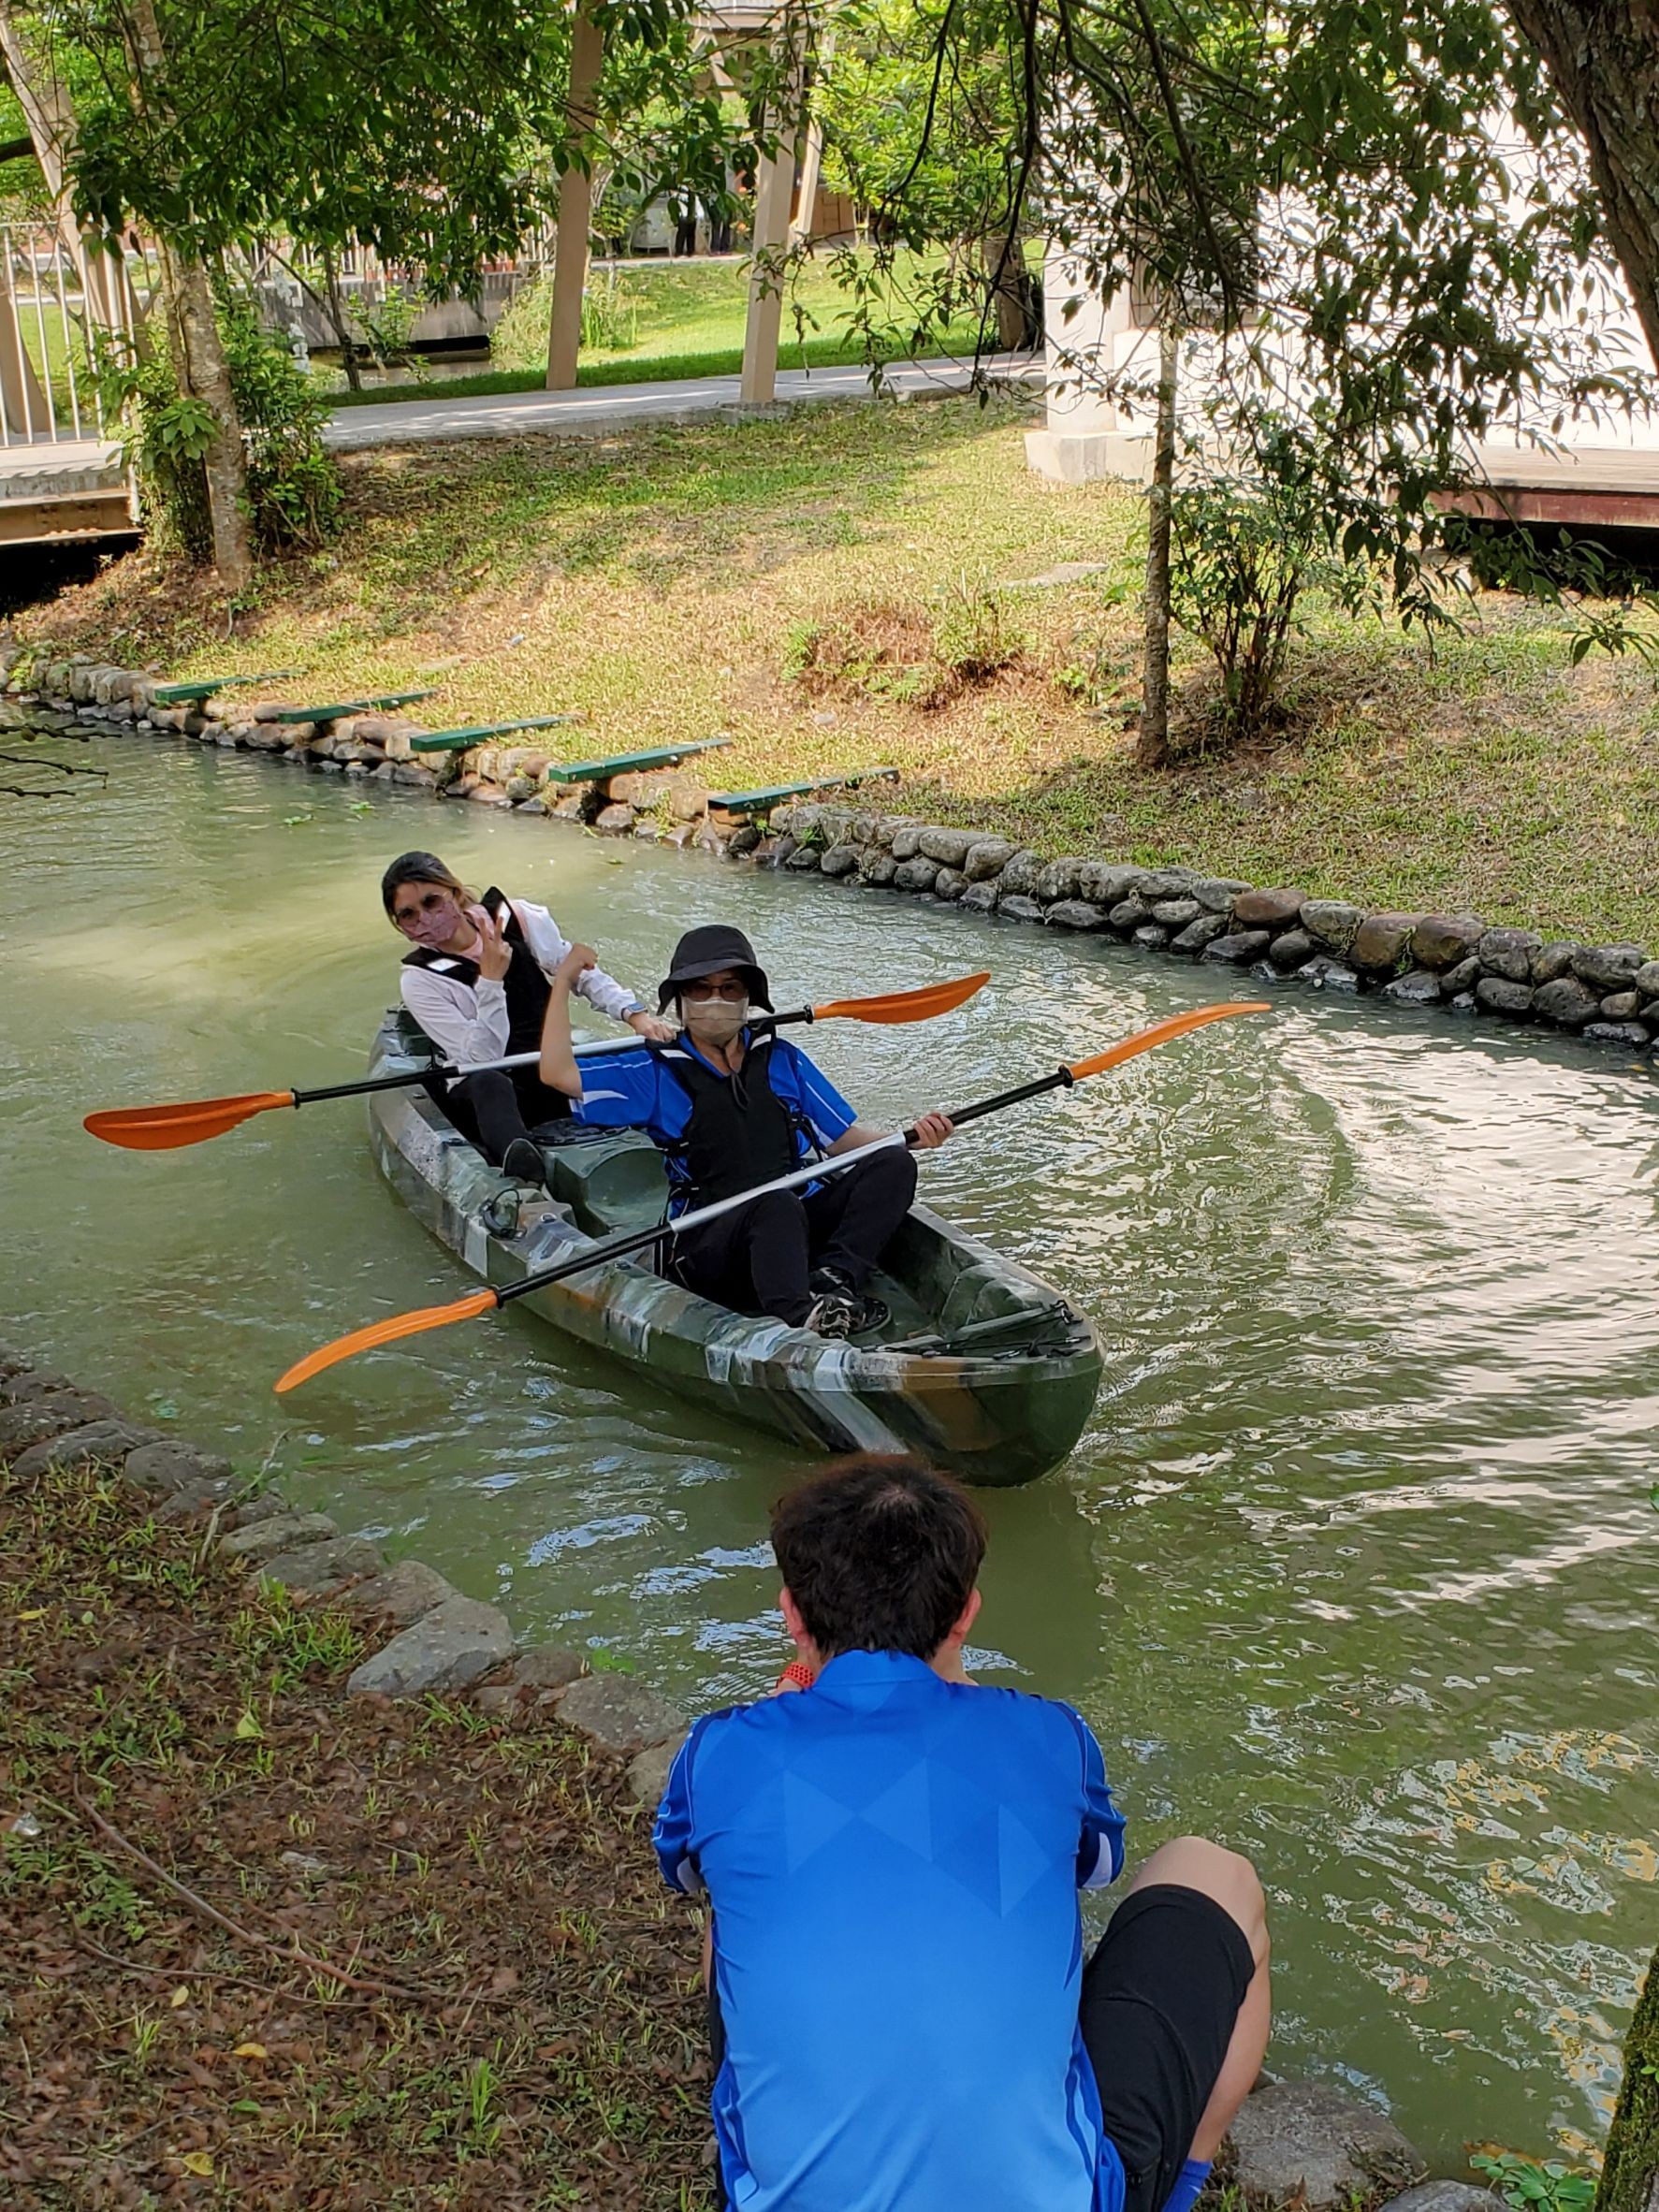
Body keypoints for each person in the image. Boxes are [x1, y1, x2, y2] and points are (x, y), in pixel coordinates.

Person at [654, 1453, 1272, 2212]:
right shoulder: (1052, 1735)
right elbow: (1091, 1867)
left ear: (791, 1612)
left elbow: (687, 1873)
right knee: (1213, 1871)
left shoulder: (719, 1750)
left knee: (733, 1897)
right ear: (967, 1614)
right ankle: (1163, 2194)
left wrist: (774, 1716)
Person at [537, 923, 953, 1338]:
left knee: (893, 1163)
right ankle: (800, 1316)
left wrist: (913, 1137)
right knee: (774, 1204)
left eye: (730, 988)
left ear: (748, 998)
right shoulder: (656, 1072)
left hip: (793, 1223)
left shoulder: (781, 1059)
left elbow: (843, 1141)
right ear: (680, 999)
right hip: (710, 1246)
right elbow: (555, 1072)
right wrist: (564, 981)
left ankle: (834, 1276)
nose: (715, 999)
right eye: (700, 988)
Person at [382, 851, 672, 1187]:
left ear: (455, 894)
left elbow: (580, 973)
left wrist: (635, 1016)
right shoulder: (419, 979)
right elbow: (481, 1059)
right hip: (491, 1091)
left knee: (633, 1062)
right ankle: (523, 1175)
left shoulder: (514, 918)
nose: (425, 918)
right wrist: (490, 981)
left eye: (431, 902)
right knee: (490, 1084)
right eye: (409, 915)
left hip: (549, 1067)